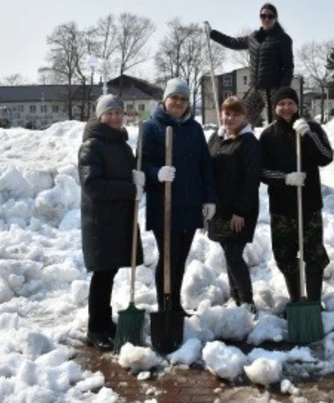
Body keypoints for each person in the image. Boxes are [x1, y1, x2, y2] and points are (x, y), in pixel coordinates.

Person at [141, 78, 216, 314]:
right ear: (165, 99)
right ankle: (164, 305)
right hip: (164, 205)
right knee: (168, 257)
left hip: (191, 204)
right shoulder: (151, 128)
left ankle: (175, 303)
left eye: (184, 99)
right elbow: (141, 165)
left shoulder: (194, 129)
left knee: (180, 258)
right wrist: (156, 173)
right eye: (174, 97)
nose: (179, 102)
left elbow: (205, 165)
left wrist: (209, 198)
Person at [78, 94, 144, 351]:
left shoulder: (122, 145)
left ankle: (105, 322)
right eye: (109, 113)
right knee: (102, 274)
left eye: (118, 112)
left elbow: (130, 178)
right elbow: (93, 186)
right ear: (99, 116)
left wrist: (139, 180)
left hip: (119, 220)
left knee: (110, 272)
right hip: (101, 222)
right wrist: (130, 189)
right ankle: (95, 328)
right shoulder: (91, 146)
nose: (115, 117)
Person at [259, 87, 332, 308]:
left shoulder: (313, 128)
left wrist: (308, 136)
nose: (286, 108)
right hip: (282, 207)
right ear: (275, 108)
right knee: (285, 254)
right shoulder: (268, 135)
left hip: (309, 204)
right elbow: (261, 171)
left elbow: (326, 157)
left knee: (314, 253)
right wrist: (285, 178)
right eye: (282, 104)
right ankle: (295, 298)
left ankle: (313, 301)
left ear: (297, 105)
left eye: (291, 103)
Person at [207, 96, 261, 312]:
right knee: (227, 251)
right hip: (219, 208)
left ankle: (247, 301)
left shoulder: (249, 143)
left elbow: (251, 179)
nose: (230, 118)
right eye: (227, 113)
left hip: (239, 210)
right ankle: (235, 296)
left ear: (244, 117)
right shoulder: (215, 138)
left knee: (233, 253)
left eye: (235, 114)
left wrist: (240, 210)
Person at [206, 3, 293, 126]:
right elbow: (233, 42)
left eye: (270, 16)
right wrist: (212, 34)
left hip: (273, 89)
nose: (266, 19)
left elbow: (288, 67)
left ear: (276, 18)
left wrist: (282, 91)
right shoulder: (254, 37)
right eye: (263, 16)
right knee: (243, 118)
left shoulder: (282, 39)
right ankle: (246, 143)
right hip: (255, 87)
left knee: (276, 123)